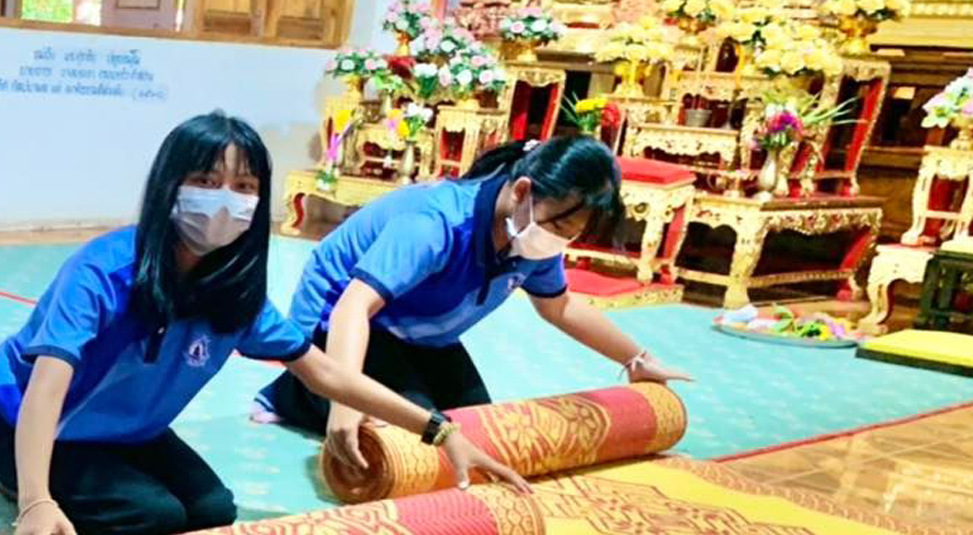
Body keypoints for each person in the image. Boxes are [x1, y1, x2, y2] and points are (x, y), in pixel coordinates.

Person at [0, 111, 528, 535]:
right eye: (206, 181)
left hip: (121, 429)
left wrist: (440, 431)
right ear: (168, 186)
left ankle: (65, 482)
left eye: (245, 187)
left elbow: (325, 373)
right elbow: (46, 387)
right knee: (151, 518)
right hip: (18, 419)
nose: (226, 201)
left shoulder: (234, 292)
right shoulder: (105, 270)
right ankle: (14, 479)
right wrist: (35, 500)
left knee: (211, 512)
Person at [255, 135, 691, 469]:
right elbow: (354, 308)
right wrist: (344, 406)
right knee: (414, 438)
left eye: (572, 233)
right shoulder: (435, 222)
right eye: (561, 225)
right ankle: (299, 391)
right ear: (522, 191)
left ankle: (340, 391)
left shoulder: (532, 235)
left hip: (421, 334)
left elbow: (559, 306)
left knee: (480, 430)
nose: (561, 240)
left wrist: (637, 359)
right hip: (340, 323)